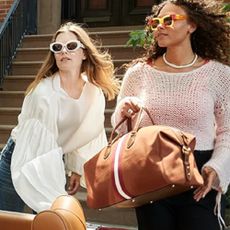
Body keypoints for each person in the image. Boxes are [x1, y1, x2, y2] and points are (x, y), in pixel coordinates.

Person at [111, 0, 230, 229]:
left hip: (200, 175)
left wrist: (217, 166)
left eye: (169, 20)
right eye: (155, 22)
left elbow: (227, 130)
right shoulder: (138, 74)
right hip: (150, 174)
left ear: (191, 26)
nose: (159, 26)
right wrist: (122, 112)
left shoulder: (219, 74)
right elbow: (122, 133)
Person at [0, 22, 119, 213]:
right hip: (19, 157)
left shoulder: (93, 93)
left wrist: (76, 168)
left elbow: (87, 132)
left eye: (71, 46)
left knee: (47, 219)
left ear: (84, 53)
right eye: (57, 48)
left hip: (52, 157)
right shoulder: (44, 92)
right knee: (9, 221)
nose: (64, 51)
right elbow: (40, 148)